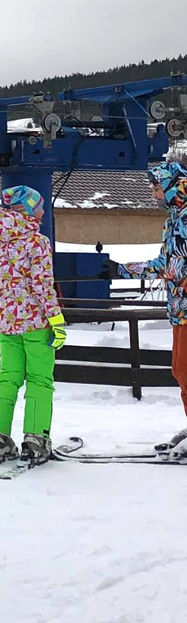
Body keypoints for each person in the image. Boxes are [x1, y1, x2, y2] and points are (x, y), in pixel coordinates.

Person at [0, 185, 66, 466]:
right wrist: (57, 321)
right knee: (40, 380)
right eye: (39, 207)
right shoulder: (36, 242)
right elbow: (42, 285)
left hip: (7, 323)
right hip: (36, 323)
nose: (43, 212)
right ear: (28, 209)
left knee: (7, 377)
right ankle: (36, 438)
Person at [110, 161, 187, 458]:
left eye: (157, 188)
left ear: (171, 186)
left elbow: (173, 267)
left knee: (185, 371)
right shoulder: (174, 220)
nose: (154, 196)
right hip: (180, 309)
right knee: (180, 371)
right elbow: (164, 264)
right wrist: (122, 270)